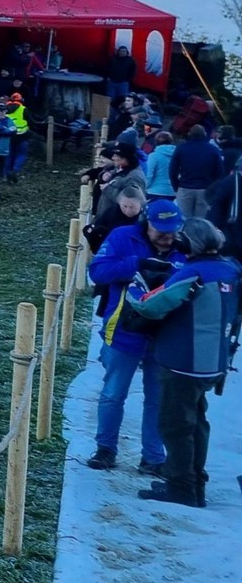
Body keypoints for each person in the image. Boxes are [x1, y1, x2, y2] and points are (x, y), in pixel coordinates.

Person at [126, 217, 241, 508]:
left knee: (175, 426)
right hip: (214, 362)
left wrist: (135, 287)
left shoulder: (193, 273)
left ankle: (180, 488)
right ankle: (195, 484)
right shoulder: (231, 269)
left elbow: (150, 305)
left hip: (183, 362)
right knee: (197, 422)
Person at [84, 201, 187, 475]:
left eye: (172, 231)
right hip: (124, 331)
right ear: (146, 223)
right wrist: (136, 265)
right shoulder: (122, 237)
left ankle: (153, 458)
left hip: (165, 336)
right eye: (161, 230)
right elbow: (97, 272)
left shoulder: (184, 246)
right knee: (113, 393)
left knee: (158, 399)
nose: (167, 237)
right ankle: (105, 449)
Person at [169, 125, 225, 222]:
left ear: (189, 134)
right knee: (202, 221)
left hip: (185, 187)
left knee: (184, 220)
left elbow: (172, 170)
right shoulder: (213, 149)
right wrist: (213, 188)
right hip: (205, 189)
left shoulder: (181, 148)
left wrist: (177, 186)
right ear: (204, 134)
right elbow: (220, 172)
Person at [3, 93, 31, 182]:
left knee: (8, 156)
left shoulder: (4, 109)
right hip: (22, 136)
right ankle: (15, 171)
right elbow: (30, 121)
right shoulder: (23, 109)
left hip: (9, 136)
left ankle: (5, 175)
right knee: (22, 154)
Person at [145, 131, 178, 201]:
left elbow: (149, 175)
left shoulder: (153, 156)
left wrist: (144, 188)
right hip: (172, 192)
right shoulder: (177, 155)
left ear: (156, 142)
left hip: (155, 192)